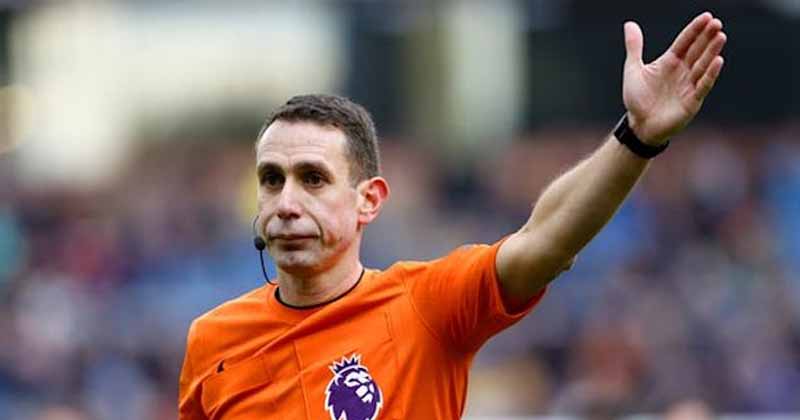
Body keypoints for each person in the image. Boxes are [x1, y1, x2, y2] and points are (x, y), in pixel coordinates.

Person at [178, 12, 727, 420]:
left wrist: (636, 137)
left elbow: (546, 241)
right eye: (271, 179)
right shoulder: (212, 341)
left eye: (313, 178)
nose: (286, 202)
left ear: (369, 199)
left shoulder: (425, 305)